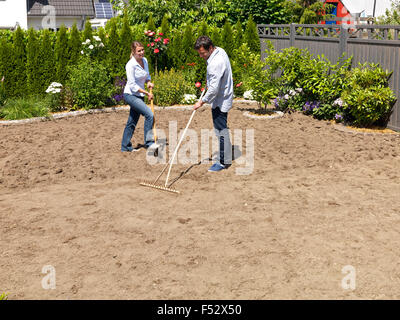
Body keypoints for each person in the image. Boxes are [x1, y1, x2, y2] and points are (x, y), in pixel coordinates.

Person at [193, 36, 233, 172]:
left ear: (210, 48)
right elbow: (214, 80)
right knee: (222, 128)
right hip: (223, 95)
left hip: (220, 99)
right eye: (199, 53)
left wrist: (201, 102)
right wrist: (209, 82)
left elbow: (214, 89)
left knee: (220, 129)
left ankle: (223, 162)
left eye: (203, 53)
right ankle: (226, 154)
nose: (201, 56)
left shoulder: (215, 62)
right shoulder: (220, 51)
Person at [121, 41, 155, 152]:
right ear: (133, 52)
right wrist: (147, 93)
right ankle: (149, 143)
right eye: (139, 51)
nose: (141, 52)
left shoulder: (145, 61)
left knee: (132, 121)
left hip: (140, 95)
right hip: (130, 95)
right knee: (149, 115)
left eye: (142, 50)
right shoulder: (130, 65)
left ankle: (125, 147)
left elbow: (147, 75)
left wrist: (148, 82)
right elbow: (132, 85)